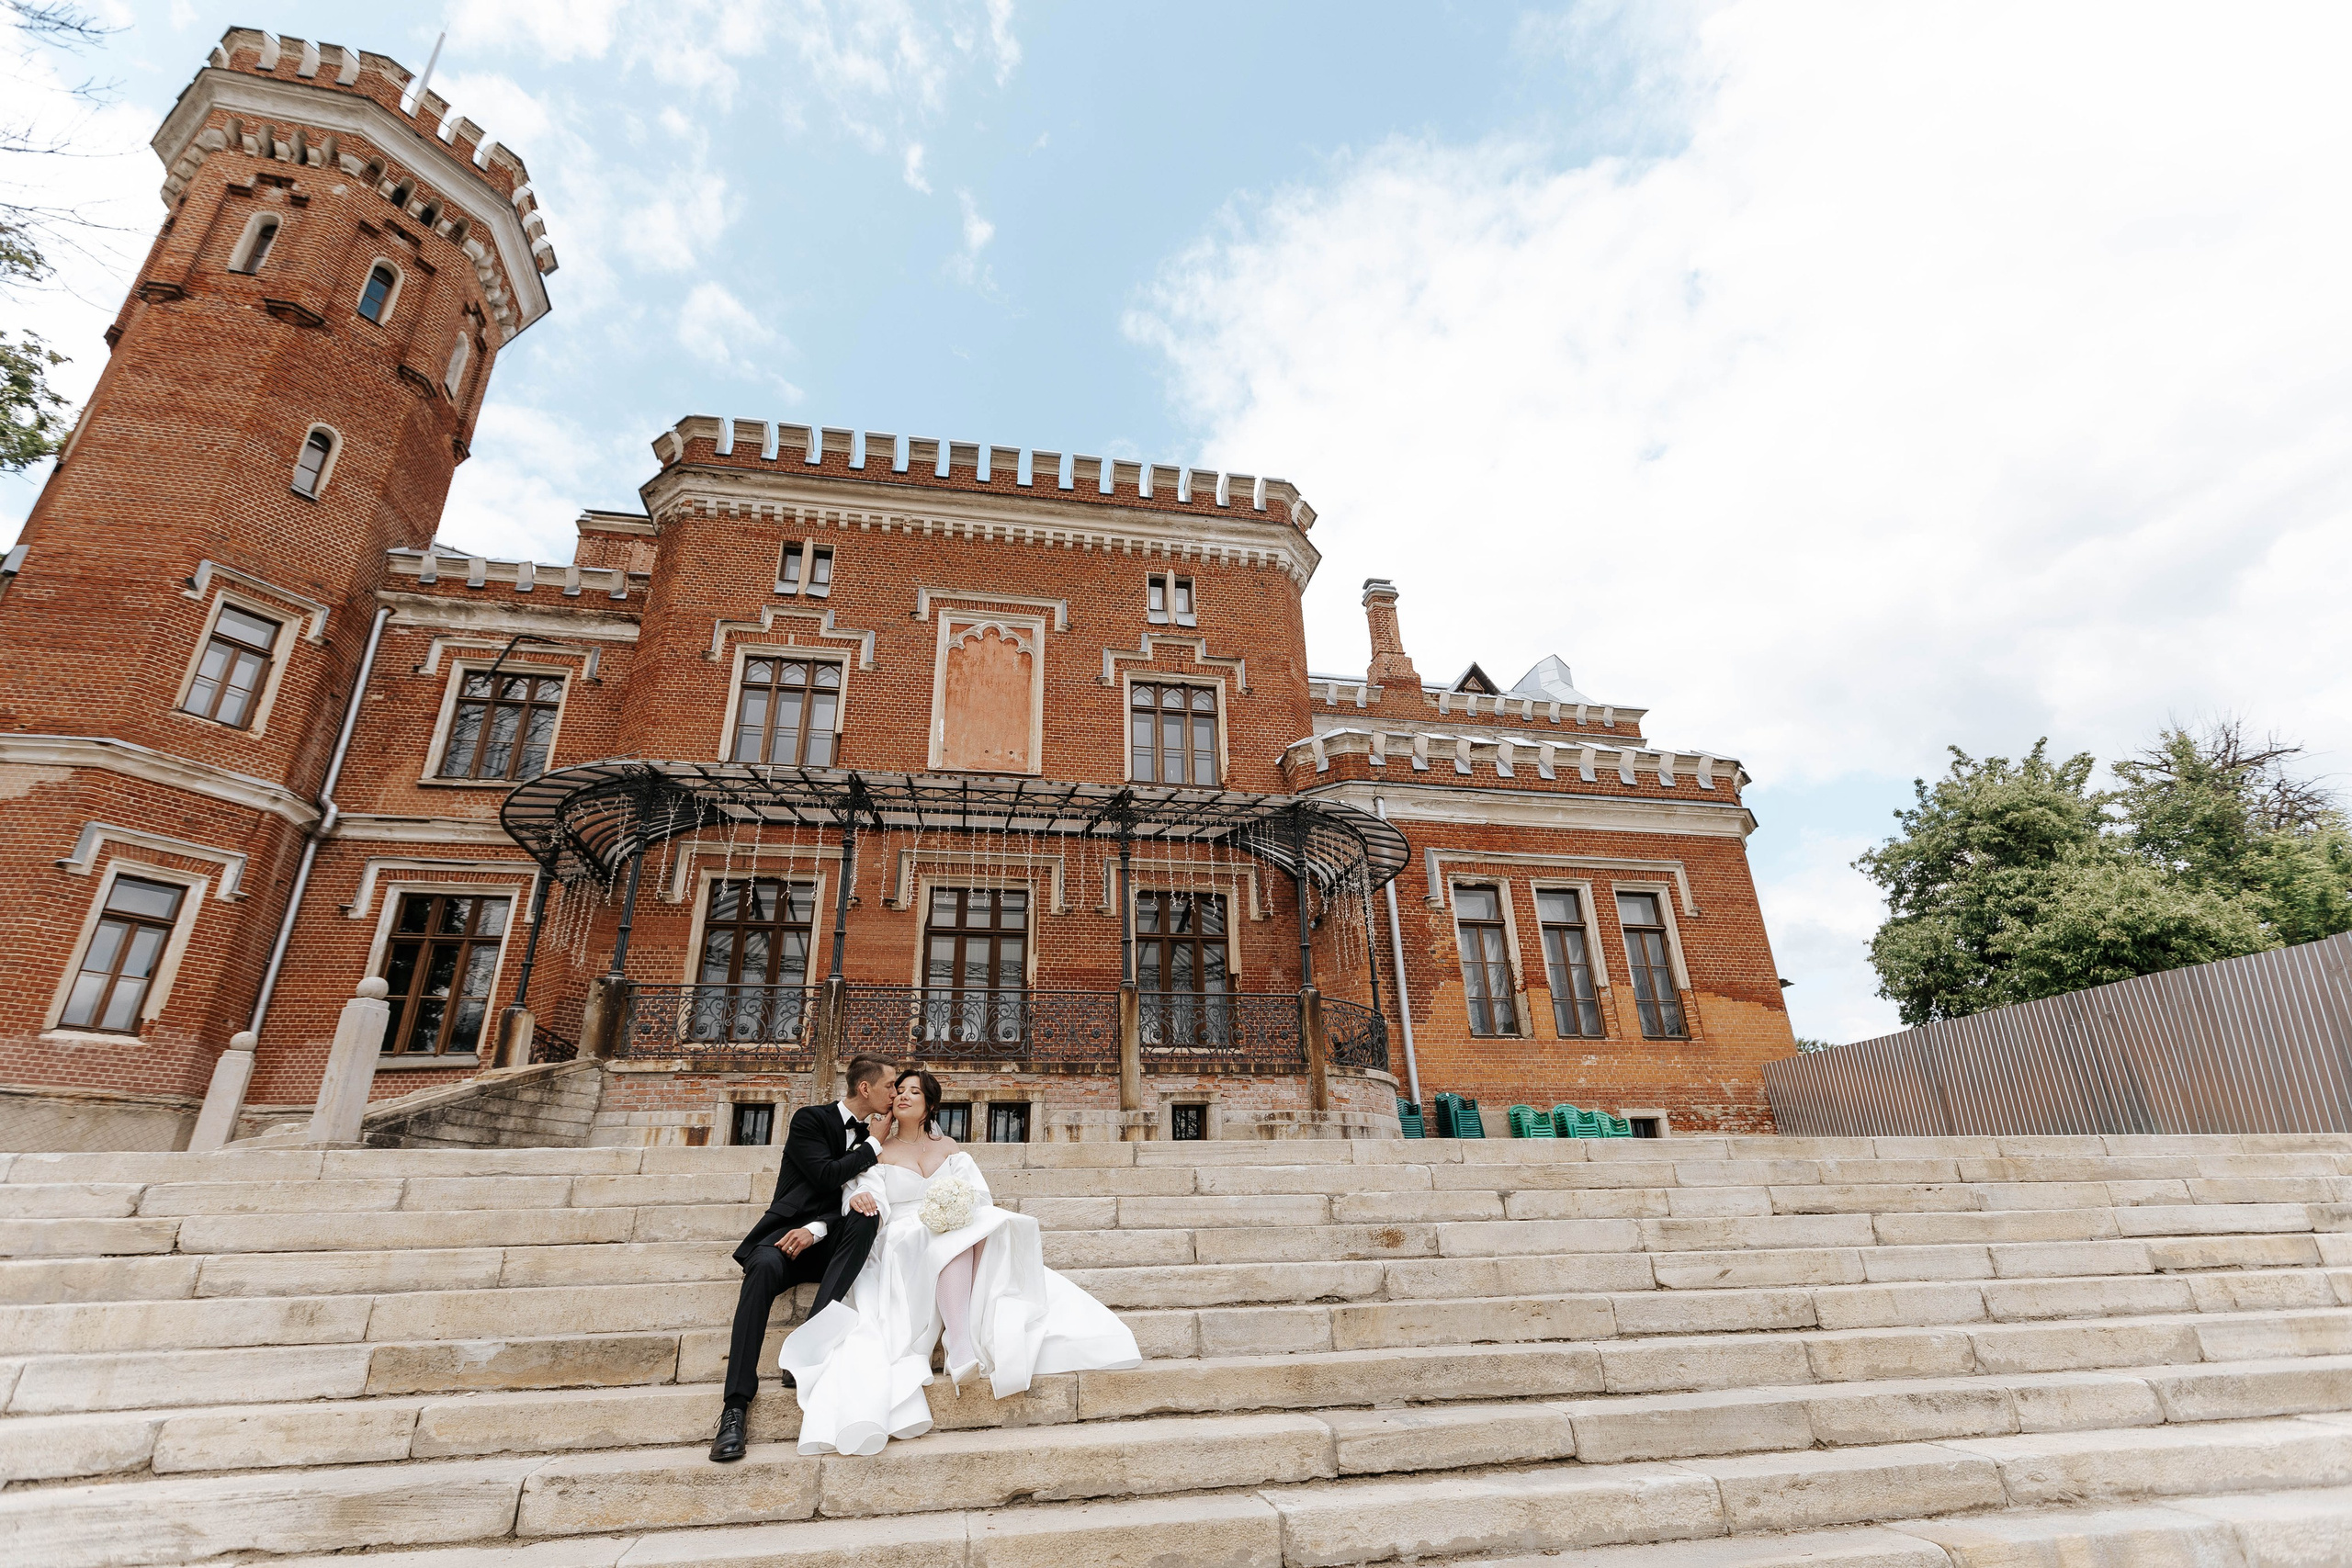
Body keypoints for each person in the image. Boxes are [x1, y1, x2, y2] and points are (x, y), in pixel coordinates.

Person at [780, 1068, 1142, 1456]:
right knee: (943, 1235)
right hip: (900, 1233)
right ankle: (958, 1340)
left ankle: (960, 1342)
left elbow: (975, 1195)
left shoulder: (950, 1148)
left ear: (929, 1105)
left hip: (946, 1227)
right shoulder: (874, 1149)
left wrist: (957, 1210)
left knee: (979, 1225)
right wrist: (860, 1199)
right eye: (898, 1090)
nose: (902, 1096)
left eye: (913, 1092)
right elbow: (865, 1190)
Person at [707, 1055, 896, 1463]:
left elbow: (845, 1196)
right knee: (761, 1270)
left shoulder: (876, 1135)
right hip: (784, 1240)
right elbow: (826, 1178)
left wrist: (818, 1229)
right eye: (890, 1086)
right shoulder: (811, 1120)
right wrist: (874, 1145)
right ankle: (734, 1408)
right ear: (866, 1089)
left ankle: (809, 1340)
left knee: (866, 1216)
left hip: (827, 1242)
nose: (895, 1093)